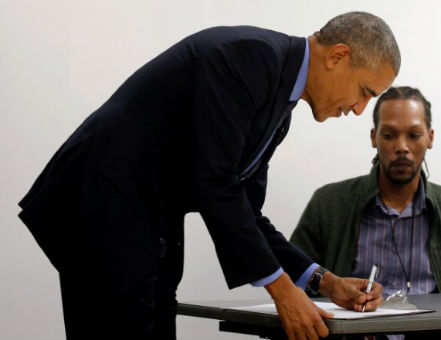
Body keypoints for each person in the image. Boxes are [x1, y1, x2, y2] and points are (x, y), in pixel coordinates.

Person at [17, 12, 399, 340]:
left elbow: (246, 211)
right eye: (365, 92)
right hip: (101, 205)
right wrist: (282, 292)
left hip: (142, 220)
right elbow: (214, 184)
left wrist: (324, 282)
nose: (359, 109)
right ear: (338, 56)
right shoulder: (249, 57)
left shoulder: (278, 105)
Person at [291, 86, 441, 300]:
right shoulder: (329, 205)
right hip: (351, 331)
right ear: (374, 137)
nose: (402, 147)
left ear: (430, 138)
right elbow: (293, 283)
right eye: (390, 135)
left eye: (414, 135)